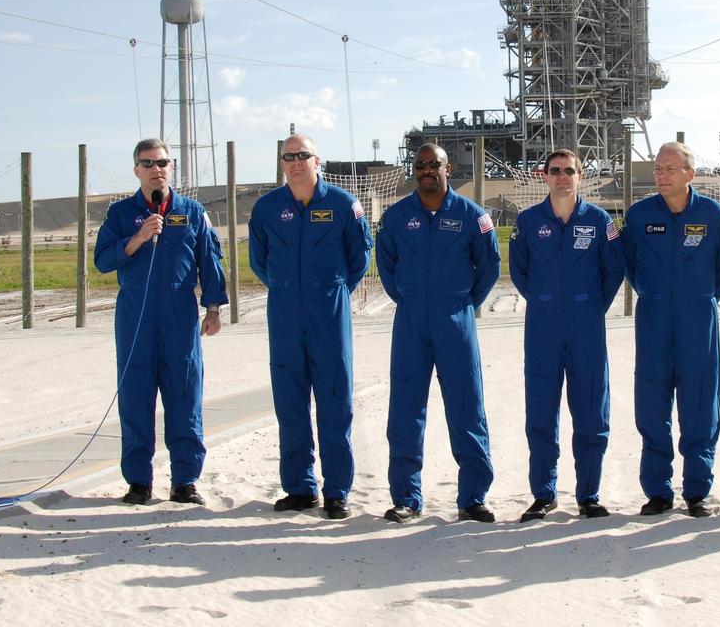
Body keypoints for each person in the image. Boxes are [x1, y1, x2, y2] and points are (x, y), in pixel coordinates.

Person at [94, 139, 227, 506]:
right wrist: (136, 238)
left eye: (163, 162)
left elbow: (209, 261)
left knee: (185, 396)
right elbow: (102, 260)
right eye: (148, 163)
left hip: (179, 318)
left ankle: (185, 481)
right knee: (136, 398)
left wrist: (213, 308)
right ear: (136, 169)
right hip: (135, 316)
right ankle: (138, 481)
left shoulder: (192, 211)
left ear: (172, 168)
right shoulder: (120, 214)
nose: (157, 169)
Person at [248, 134, 373, 520]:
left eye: (303, 155)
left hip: (328, 312)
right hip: (284, 311)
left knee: (335, 400)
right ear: (282, 162)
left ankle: (337, 490)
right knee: (290, 402)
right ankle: (300, 488)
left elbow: (360, 256)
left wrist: (331, 290)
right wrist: (290, 289)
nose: (296, 162)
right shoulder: (267, 208)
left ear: (318, 160)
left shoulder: (342, 204)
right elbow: (259, 261)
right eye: (289, 156)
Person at [376, 144, 501, 523]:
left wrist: (462, 302)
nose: (427, 170)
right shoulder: (396, 216)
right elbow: (386, 265)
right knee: (406, 409)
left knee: (467, 406)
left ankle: (473, 497)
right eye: (420, 165)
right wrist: (410, 298)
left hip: (455, 316)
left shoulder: (473, 216)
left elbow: (489, 267)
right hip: (411, 318)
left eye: (434, 164)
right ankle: (407, 498)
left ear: (448, 168)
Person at [620, 142, 720, 518]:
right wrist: (653, 294)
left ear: (690, 173)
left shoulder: (712, 214)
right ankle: (658, 490)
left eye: (671, 169)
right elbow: (629, 263)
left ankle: (697, 491)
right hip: (654, 318)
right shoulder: (639, 216)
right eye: (658, 169)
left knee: (701, 404)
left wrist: (700, 298)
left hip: (698, 319)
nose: (662, 175)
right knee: (652, 407)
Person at [509, 149, 625, 522]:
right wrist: (546, 302)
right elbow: (520, 272)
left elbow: (613, 271)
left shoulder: (599, 219)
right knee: (541, 411)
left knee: (591, 409)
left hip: (586, 326)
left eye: (569, 171)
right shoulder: (528, 222)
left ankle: (588, 495)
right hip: (542, 326)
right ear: (544, 176)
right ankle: (544, 494)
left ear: (580, 176)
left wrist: (589, 306)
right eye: (555, 171)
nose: (562, 177)